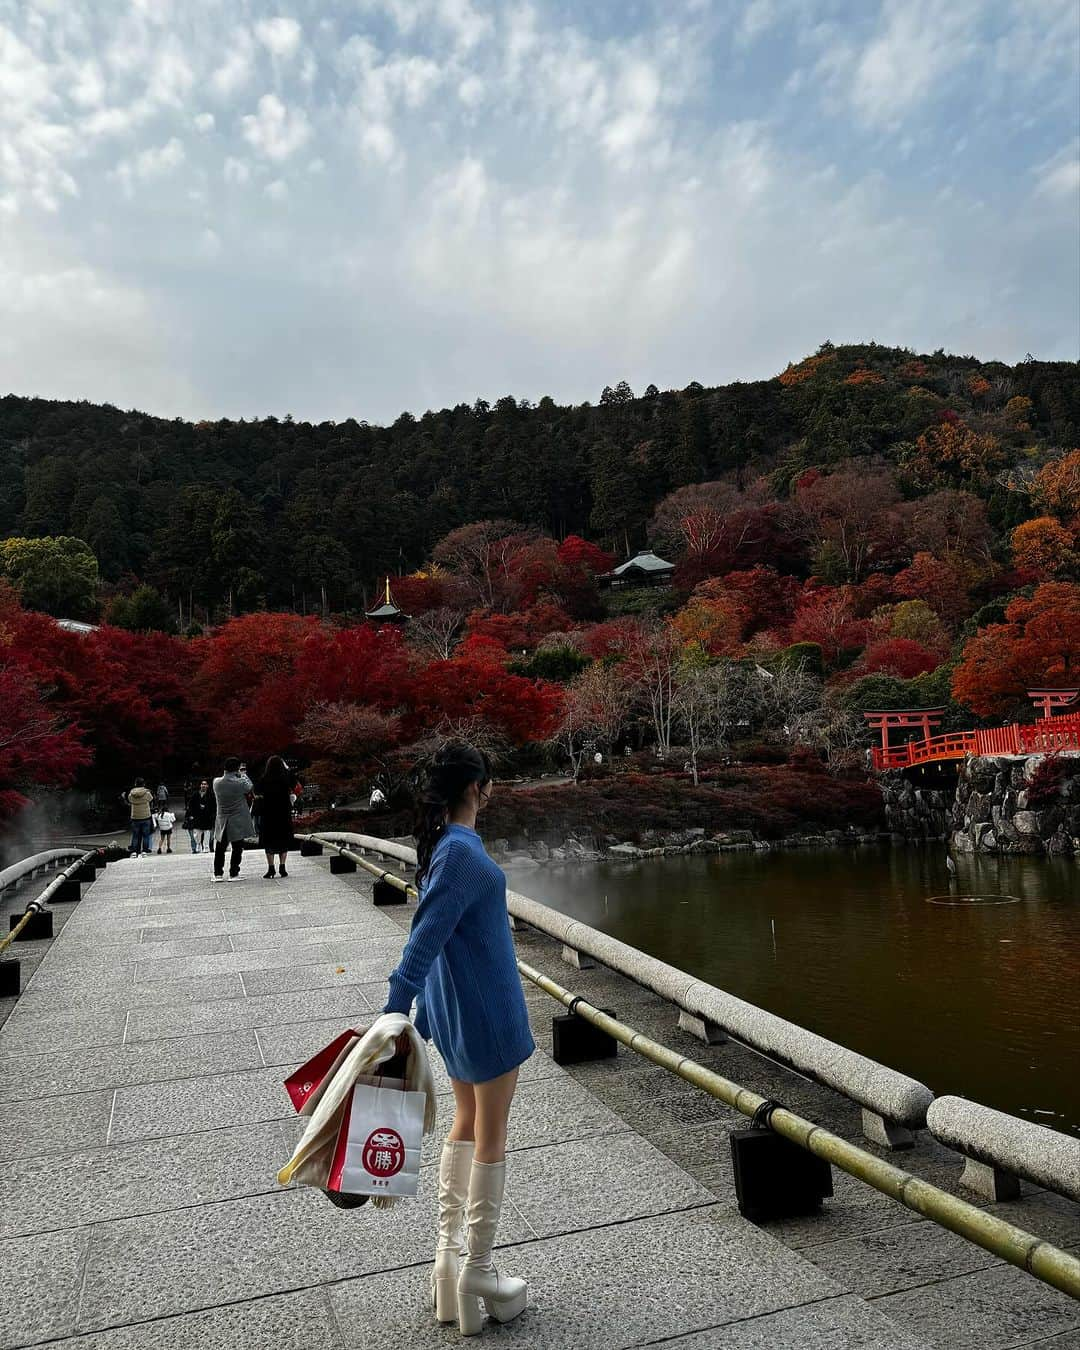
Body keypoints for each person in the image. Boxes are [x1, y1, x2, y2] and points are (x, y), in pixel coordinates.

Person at [382, 743, 533, 1335]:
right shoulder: (463, 856)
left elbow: (434, 936)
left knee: (466, 1123)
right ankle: (479, 1269)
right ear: (480, 788)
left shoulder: (444, 850)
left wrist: (413, 1014)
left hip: (453, 1011)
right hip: (487, 1013)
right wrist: (394, 1013)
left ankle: (448, 1266)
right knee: (491, 1133)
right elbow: (422, 942)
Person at [211, 757, 254, 882]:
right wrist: (243, 774)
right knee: (237, 847)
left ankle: (218, 873)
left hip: (222, 818)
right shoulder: (239, 782)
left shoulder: (216, 782)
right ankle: (233, 873)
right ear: (236, 769)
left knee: (220, 847)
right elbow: (249, 787)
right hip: (237, 818)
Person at [254, 755, 295, 879]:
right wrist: (287, 768)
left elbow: (257, 791)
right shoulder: (286, 777)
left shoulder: (264, 778)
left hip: (268, 812)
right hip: (283, 812)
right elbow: (295, 783)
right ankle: (282, 866)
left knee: (269, 840)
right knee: (283, 838)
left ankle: (271, 867)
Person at [125, 777, 155, 858]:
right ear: (143, 784)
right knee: (146, 835)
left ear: (135, 784)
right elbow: (151, 799)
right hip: (146, 816)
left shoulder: (131, 794)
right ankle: (144, 851)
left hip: (135, 817)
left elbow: (129, 800)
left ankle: (134, 851)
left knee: (135, 835)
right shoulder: (147, 793)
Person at [185, 778, 216, 853]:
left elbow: (214, 806)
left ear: (208, 786)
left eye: (205, 784)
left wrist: (212, 815)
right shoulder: (195, 794)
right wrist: (190, 815)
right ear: (200, 785)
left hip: (207, 817)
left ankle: (206, 847)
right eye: (202, 784)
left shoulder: (211, 795)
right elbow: (190, 805)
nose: (203, 786)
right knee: (197, 833)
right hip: (197, 817)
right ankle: (198, 845)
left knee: (207, 833)